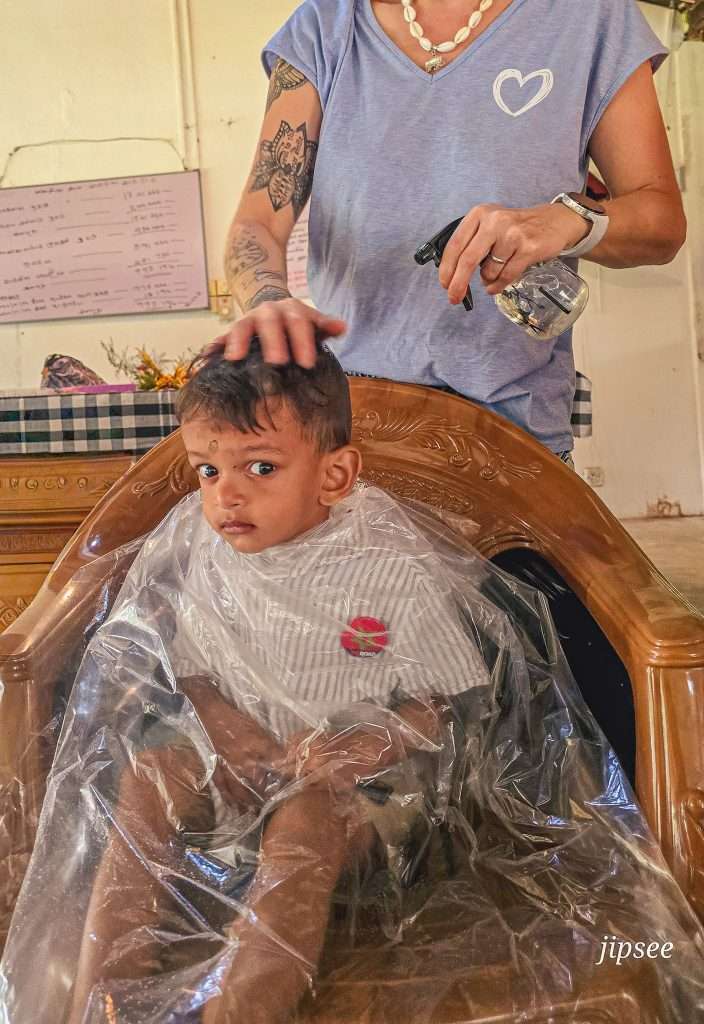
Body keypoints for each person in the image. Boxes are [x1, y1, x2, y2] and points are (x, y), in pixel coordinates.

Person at [64, 341, 490, 1024]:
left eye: (260, 467)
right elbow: (195, 674)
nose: (226, 494)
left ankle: (240, 1009)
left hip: (359, 790)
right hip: (242, 764)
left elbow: (439, 704)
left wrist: (359, 752)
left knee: (307, 818)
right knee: (149, 776)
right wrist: (227, 733)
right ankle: (97, 1000)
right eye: (208, 470)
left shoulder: (390, 567)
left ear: (335, 474)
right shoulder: (212, 555)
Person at [212, 0, 686, 461]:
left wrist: (567, 220)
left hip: (511, 431)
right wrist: (267, 300)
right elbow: (258, 223)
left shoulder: (593, 16)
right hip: (352, 418)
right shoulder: (323, 26)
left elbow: (661, 222)